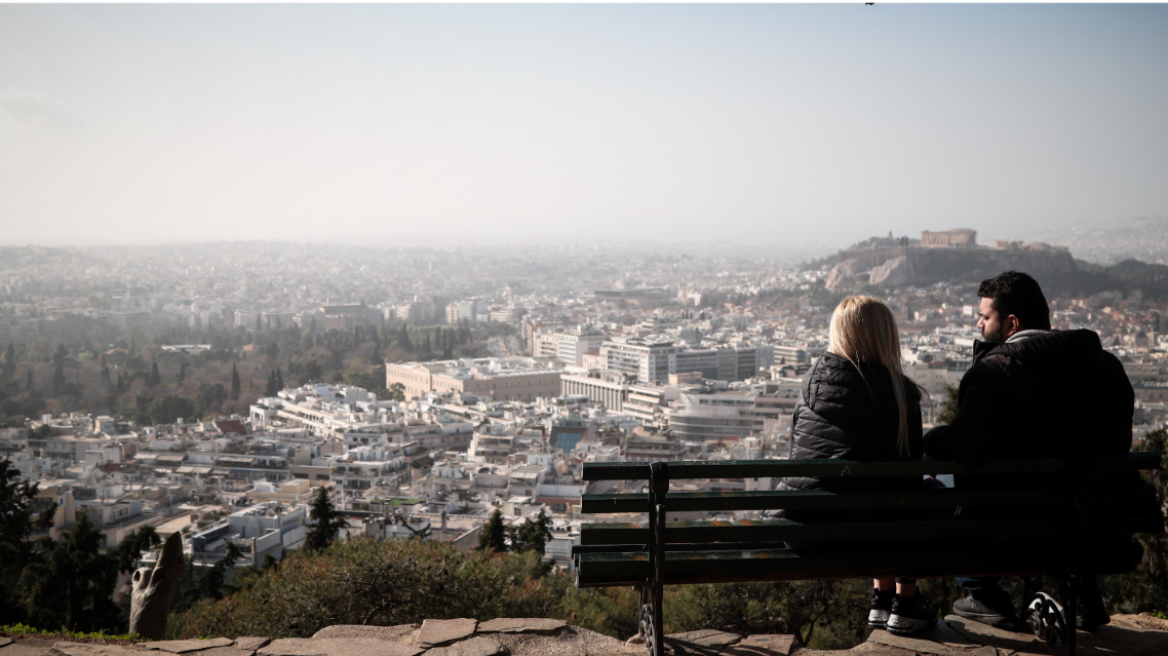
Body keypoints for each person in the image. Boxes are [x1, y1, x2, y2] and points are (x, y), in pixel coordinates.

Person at [923, 270, 1134, 630]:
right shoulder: (1107, 367)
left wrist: (930, 440)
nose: (978, 323)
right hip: (1096, 521)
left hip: (1011, 522)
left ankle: (985, 596)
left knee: (932, 488)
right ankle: (1081, 594)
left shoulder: (996, 372)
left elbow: (968, 446)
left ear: (1011, 323)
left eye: (984, 317)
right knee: (1062, 498)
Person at [777, 295, 936, 636]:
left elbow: (797, 459)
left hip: (806, 532)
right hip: (871, 535)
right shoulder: (900, 394)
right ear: (885, 336)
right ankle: (904, 600)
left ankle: (881, 595)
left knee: (866, 498)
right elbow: (906, 482)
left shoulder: (810, 387)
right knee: (921, 495)